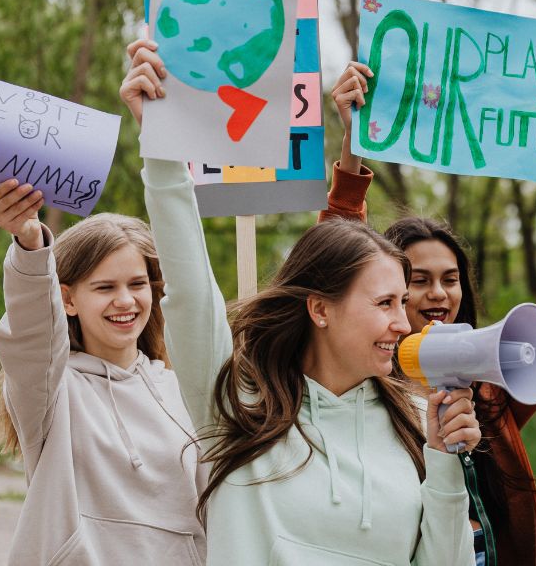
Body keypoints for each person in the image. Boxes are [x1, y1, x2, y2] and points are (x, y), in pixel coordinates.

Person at [121, 38, 479, 566]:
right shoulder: (236, 402)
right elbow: (192, 288)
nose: (404, 322)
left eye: (402, 302)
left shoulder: (414, 421)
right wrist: (163, 148)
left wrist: (446, 462)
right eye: (384, 303)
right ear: (320, 308)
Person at [324, 61, 536, 565]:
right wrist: (352, 145)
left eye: (450, 279)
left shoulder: (490, 394)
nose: (439, 294)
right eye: (418, 280)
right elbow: (338, 266)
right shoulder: (356, 387)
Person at [0, 179, 207, 566]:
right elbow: (32, 334)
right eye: (104, 287)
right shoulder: (50, 391)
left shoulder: (182, 389)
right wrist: (30, 245)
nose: (125, 300)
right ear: (67, 299)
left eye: (137, 284)